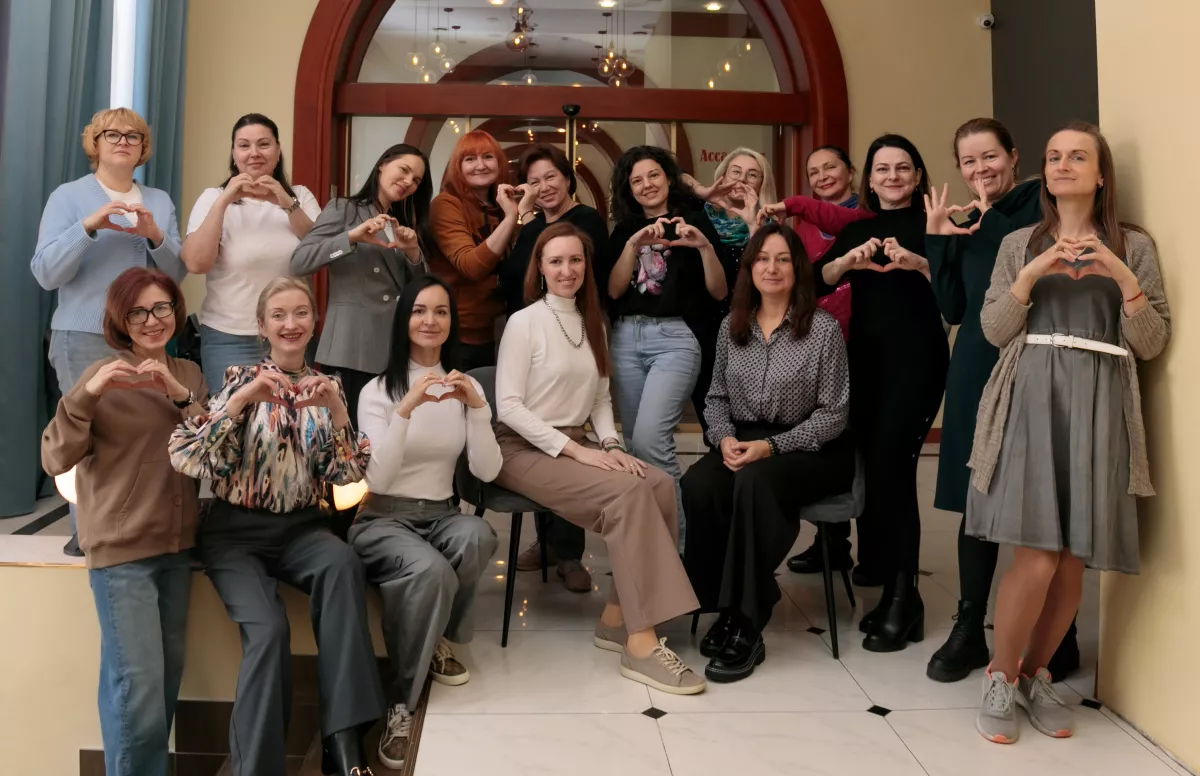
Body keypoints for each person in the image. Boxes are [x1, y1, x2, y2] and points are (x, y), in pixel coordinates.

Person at [970, 122, 1169, 744]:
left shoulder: (1134, 245)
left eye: (1077, 156)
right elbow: (994, 330)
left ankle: (1036, 675)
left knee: (1074, 559)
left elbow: (1151, 342)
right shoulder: (1018, 243)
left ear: (1100, 174)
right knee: (1035, 555)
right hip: (1032, 398)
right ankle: (1000, 676)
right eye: (1053, 156)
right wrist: (1032, 273)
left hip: (1101, 403)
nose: (1062, 165)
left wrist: (1122, 275)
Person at [169, 278, 385, 776]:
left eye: (301, 313)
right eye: (279, 315)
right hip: (235, 534)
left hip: (303, 530)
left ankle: (343, 744)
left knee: (342, 564)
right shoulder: (238, 379)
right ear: (262, 327)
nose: (291, 324)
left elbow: (347, 475)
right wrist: (241, 402)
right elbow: (193, 458)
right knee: (267, 631)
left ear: (315, 320)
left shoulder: (329, 386)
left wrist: (336, 412)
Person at [494, 222, 706, 694]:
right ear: (540, 268)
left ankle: (615, 618)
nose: (567, 270)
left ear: (586, 266)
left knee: (657, 482)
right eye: (556, 261)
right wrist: (579, 453)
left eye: (575, 260)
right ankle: (641, 645)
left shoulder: (595, 322)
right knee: (628, 494)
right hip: (520, 448)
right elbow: (508, 407)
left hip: (575, 445)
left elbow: (600, 400)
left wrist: (611, 446)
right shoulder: (524, 322)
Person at [41, 268, 205, 776]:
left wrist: (179, 394)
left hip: (177, 550)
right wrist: (86, 396)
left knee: (161, 685)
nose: (152, 320)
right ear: (120, 319)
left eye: (162, 308)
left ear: (176, 311)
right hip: (122, 555)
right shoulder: (100, 375)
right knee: (137, 690)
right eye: (138, 312)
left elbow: (212, 450)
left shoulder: (190, 374)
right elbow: (54, 457)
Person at [682, 223, 853, 683]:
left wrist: (772, 446)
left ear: (798, 269)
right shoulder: (731, 326)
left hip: (812, 446)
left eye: (782, 259)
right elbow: (716, 397)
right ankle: (725, 604)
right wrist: (723, 438)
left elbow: (834, 414)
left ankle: (746, 621)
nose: (771, 268)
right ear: (749, 268)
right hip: (743, 438)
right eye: (762, 258)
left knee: (755, 481)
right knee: (699, 483)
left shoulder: (822, 329)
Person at [353, 275, 501, 769]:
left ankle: (433, 635)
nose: (430, 321)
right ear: (403, 320)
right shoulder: (377, 391)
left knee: (478, 535)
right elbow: (377, 477)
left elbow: (487, 472)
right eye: (419, 311)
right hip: (382, 517)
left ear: (452, 321)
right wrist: (406, 409)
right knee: (431, 570)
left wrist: (477, 409)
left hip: (441, 513)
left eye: (441, 311)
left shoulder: (465, 387)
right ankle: (401, 703)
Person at [920, 119, 1048, 683]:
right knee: (977, 497)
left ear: (1013, 156)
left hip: (1030, 359)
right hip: (974, 361)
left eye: (989, 157)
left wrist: (984, 218)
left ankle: (1053, 631)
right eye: (968, 161)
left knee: (1036, 494)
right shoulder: (970, 219)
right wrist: (938, 239)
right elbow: (952, 307)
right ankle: (970, 627)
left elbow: (1029, 264)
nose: (980, 169)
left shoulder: (1037, 206)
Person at [811, 134, 948, 652]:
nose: (893, 177)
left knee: (895, 473)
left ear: (918, 176)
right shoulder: (858, 228)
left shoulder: (935, 225)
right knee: (879, 475)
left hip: (917, 364)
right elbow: (817, 281)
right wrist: (846, 263)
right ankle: (896, 590)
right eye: (883, 169)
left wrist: (921, 264)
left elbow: (958, 296)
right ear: (869, 178)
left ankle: (904, 597)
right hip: (866, 365)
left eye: (903, 168)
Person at [31, 107, 184, 557]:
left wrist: (155, 236)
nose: (123, 141)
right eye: (112, 134)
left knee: (137, 437)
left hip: (146, 339)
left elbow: (177, 274)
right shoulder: (68, 197)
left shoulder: (159, 201)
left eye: (133, 136)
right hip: (82, 338)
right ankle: (88, 532)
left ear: (143, 148)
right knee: (86, 435)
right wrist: (88, 227)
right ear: (94, 143)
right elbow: (45, 273)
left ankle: (135, 528)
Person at [599, 146, 728, 547]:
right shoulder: (625, 229)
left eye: (653, 175)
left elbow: (720, 291)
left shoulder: (694, 221)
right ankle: (648, 548)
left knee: (652, 441)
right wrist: (631, 246)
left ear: (669, 178)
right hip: (627, 336)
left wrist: (703, 246)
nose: (647, 185)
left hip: (676, 338)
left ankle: (678, 550)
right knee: (635, 448)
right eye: (636, 180)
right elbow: (614, 291)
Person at [762, 145, 875, 581]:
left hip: (860, 339)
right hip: (817, 341)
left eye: (831, 167)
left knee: (860, 441)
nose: (823, 176)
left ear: (851, 171)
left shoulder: (864, 214)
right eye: (814, 172)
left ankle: (872, 550)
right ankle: (831, 543)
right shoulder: (805, 223)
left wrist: (792, 203)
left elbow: (839, 221)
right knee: (823, 436)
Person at [503, 143, 608, 592]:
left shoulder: (585, 221)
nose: (543, 186)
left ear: (568, 178)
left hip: (573, 326)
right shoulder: (531, 228)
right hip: (534, 331)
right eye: (534, 180)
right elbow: (511, 276)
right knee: (538, 424)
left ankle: (567, 554)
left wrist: (611, 442)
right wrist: (520, 213)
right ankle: (549, 545)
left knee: (569, 429)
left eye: (551, 177)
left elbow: (585, 279)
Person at [291, 143, 432, 422]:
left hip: (392, 349)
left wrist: (414, 253)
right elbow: (299, 261)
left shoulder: (400, 222)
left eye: (416, 180)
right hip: (351, 348)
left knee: (382, 434)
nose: (408, 182)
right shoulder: (344, 208)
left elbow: (421, 291)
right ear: (382, 165)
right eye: (404, 170)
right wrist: (351, 238)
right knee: (348, 435)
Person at [183, 113, 321, 388]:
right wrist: (224, 201)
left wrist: (286, 202)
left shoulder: (300, 196)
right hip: (228, 337)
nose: (254, 153)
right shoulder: (212, 198)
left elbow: (319, 250)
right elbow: (196, 264)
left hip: (290, 332)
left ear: (278, 151)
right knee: (232, 412)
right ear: (234, 154)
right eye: (244, 145)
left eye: (264, 144)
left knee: (291, 411)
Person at [681, 147, 777, 437]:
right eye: (735, 172)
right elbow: (675, 176)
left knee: (746, 411)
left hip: (748, 326)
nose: (742, 180)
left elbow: (766, 275)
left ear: (762, 184)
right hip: (701, 324)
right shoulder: (697, 213)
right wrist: (704, 191)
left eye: (752, 175)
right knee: (708, 406)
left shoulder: (768, 225)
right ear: (722, 175)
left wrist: (752, 223)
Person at [429, 130, 535, 370]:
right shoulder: (446, 204)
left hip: (495, 329)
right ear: (457, 167)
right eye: (470, 159)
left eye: (488, 157)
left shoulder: (500, 206)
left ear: (499, 162)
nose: (480, 165)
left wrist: (523, 212)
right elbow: (471, 266)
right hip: (455, 332)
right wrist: (512, 217)